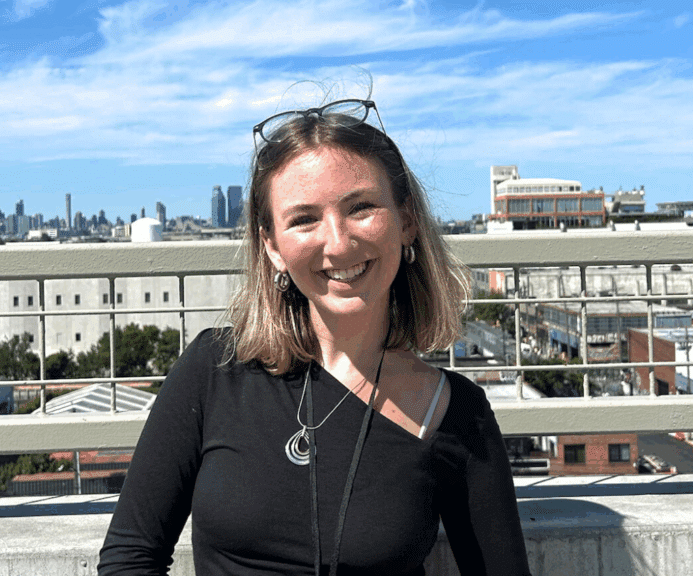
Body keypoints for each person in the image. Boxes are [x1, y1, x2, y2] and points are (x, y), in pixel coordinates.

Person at [99, 98, 532, 575]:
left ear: (406, 220)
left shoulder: (454, 413)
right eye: (304, 219)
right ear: (272, 247)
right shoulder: (215, 369)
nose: (339, 243)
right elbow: (130, 558)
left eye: (362, 207)